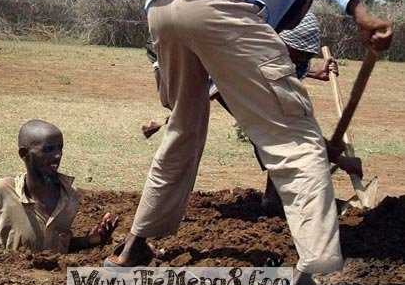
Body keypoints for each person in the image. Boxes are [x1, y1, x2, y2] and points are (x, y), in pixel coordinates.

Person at [105, 0, 393, 285]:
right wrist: (360, 12)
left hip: (164, 7)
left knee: (182, 130)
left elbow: (232, 67)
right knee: (295, 139)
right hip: (221, 6)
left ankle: (133, 250)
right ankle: (325, 275)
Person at [143, 11, 363, 214]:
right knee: (193, 131)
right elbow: (283, 120)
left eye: (304, 57)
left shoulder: (274, 51)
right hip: (175, 50)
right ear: (276, 43)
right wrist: (338, 158)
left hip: (214, 60)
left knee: (270, 130)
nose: (298, 62)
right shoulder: (243, 57)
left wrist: (315, 72)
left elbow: (281, 85)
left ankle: (275, 197)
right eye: (296, 56)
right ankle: (158, 213)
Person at [0, 119, 119, 253]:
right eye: (48, 149)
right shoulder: (3, 190)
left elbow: (57, 248)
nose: (58, 155)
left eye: (60, 148)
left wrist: (91, 240)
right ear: (24, 154)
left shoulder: (69, 195)